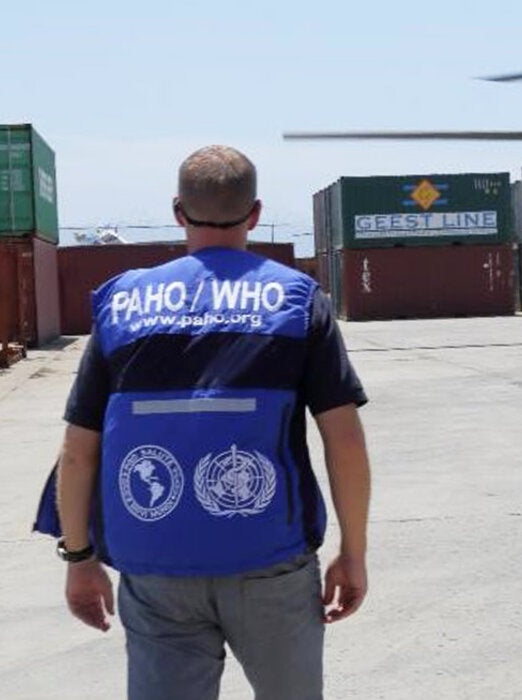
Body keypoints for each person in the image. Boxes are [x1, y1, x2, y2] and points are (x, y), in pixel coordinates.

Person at [32, 145, 372, 699]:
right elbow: (345, 441)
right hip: (272, 561)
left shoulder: (122, 304)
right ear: (256, 214)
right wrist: (353, 553)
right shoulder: (296, 299)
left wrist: (79, 558)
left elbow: (78, 449)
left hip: (156, 563)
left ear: (177, 211)